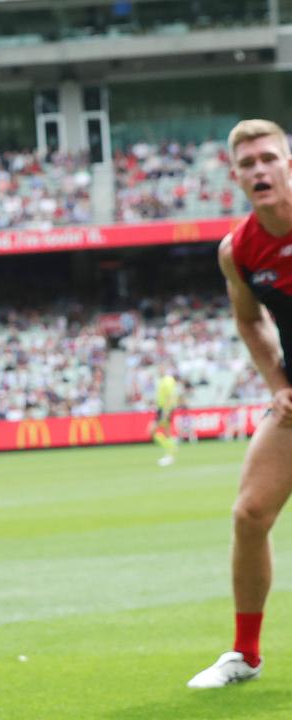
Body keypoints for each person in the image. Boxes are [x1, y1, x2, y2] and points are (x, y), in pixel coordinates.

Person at [188, 119, 292, 689]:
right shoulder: (240, 251)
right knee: (250, 514)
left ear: (288, 163)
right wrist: (278, 384)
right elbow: (250, 321)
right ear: (236, 177)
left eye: (268, 158)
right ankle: (245, 655)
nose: (259, 170)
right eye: (248, 163)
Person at [151, 367, 180, 466]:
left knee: (152, 430)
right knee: (166, 432)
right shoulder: (165, 381)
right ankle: (170, 452)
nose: (159, 370)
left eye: (161, 369)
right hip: (163, 408)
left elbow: (170, 397)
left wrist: (166, 411)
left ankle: (170, 451)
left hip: (164, 409)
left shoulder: (167, 381)